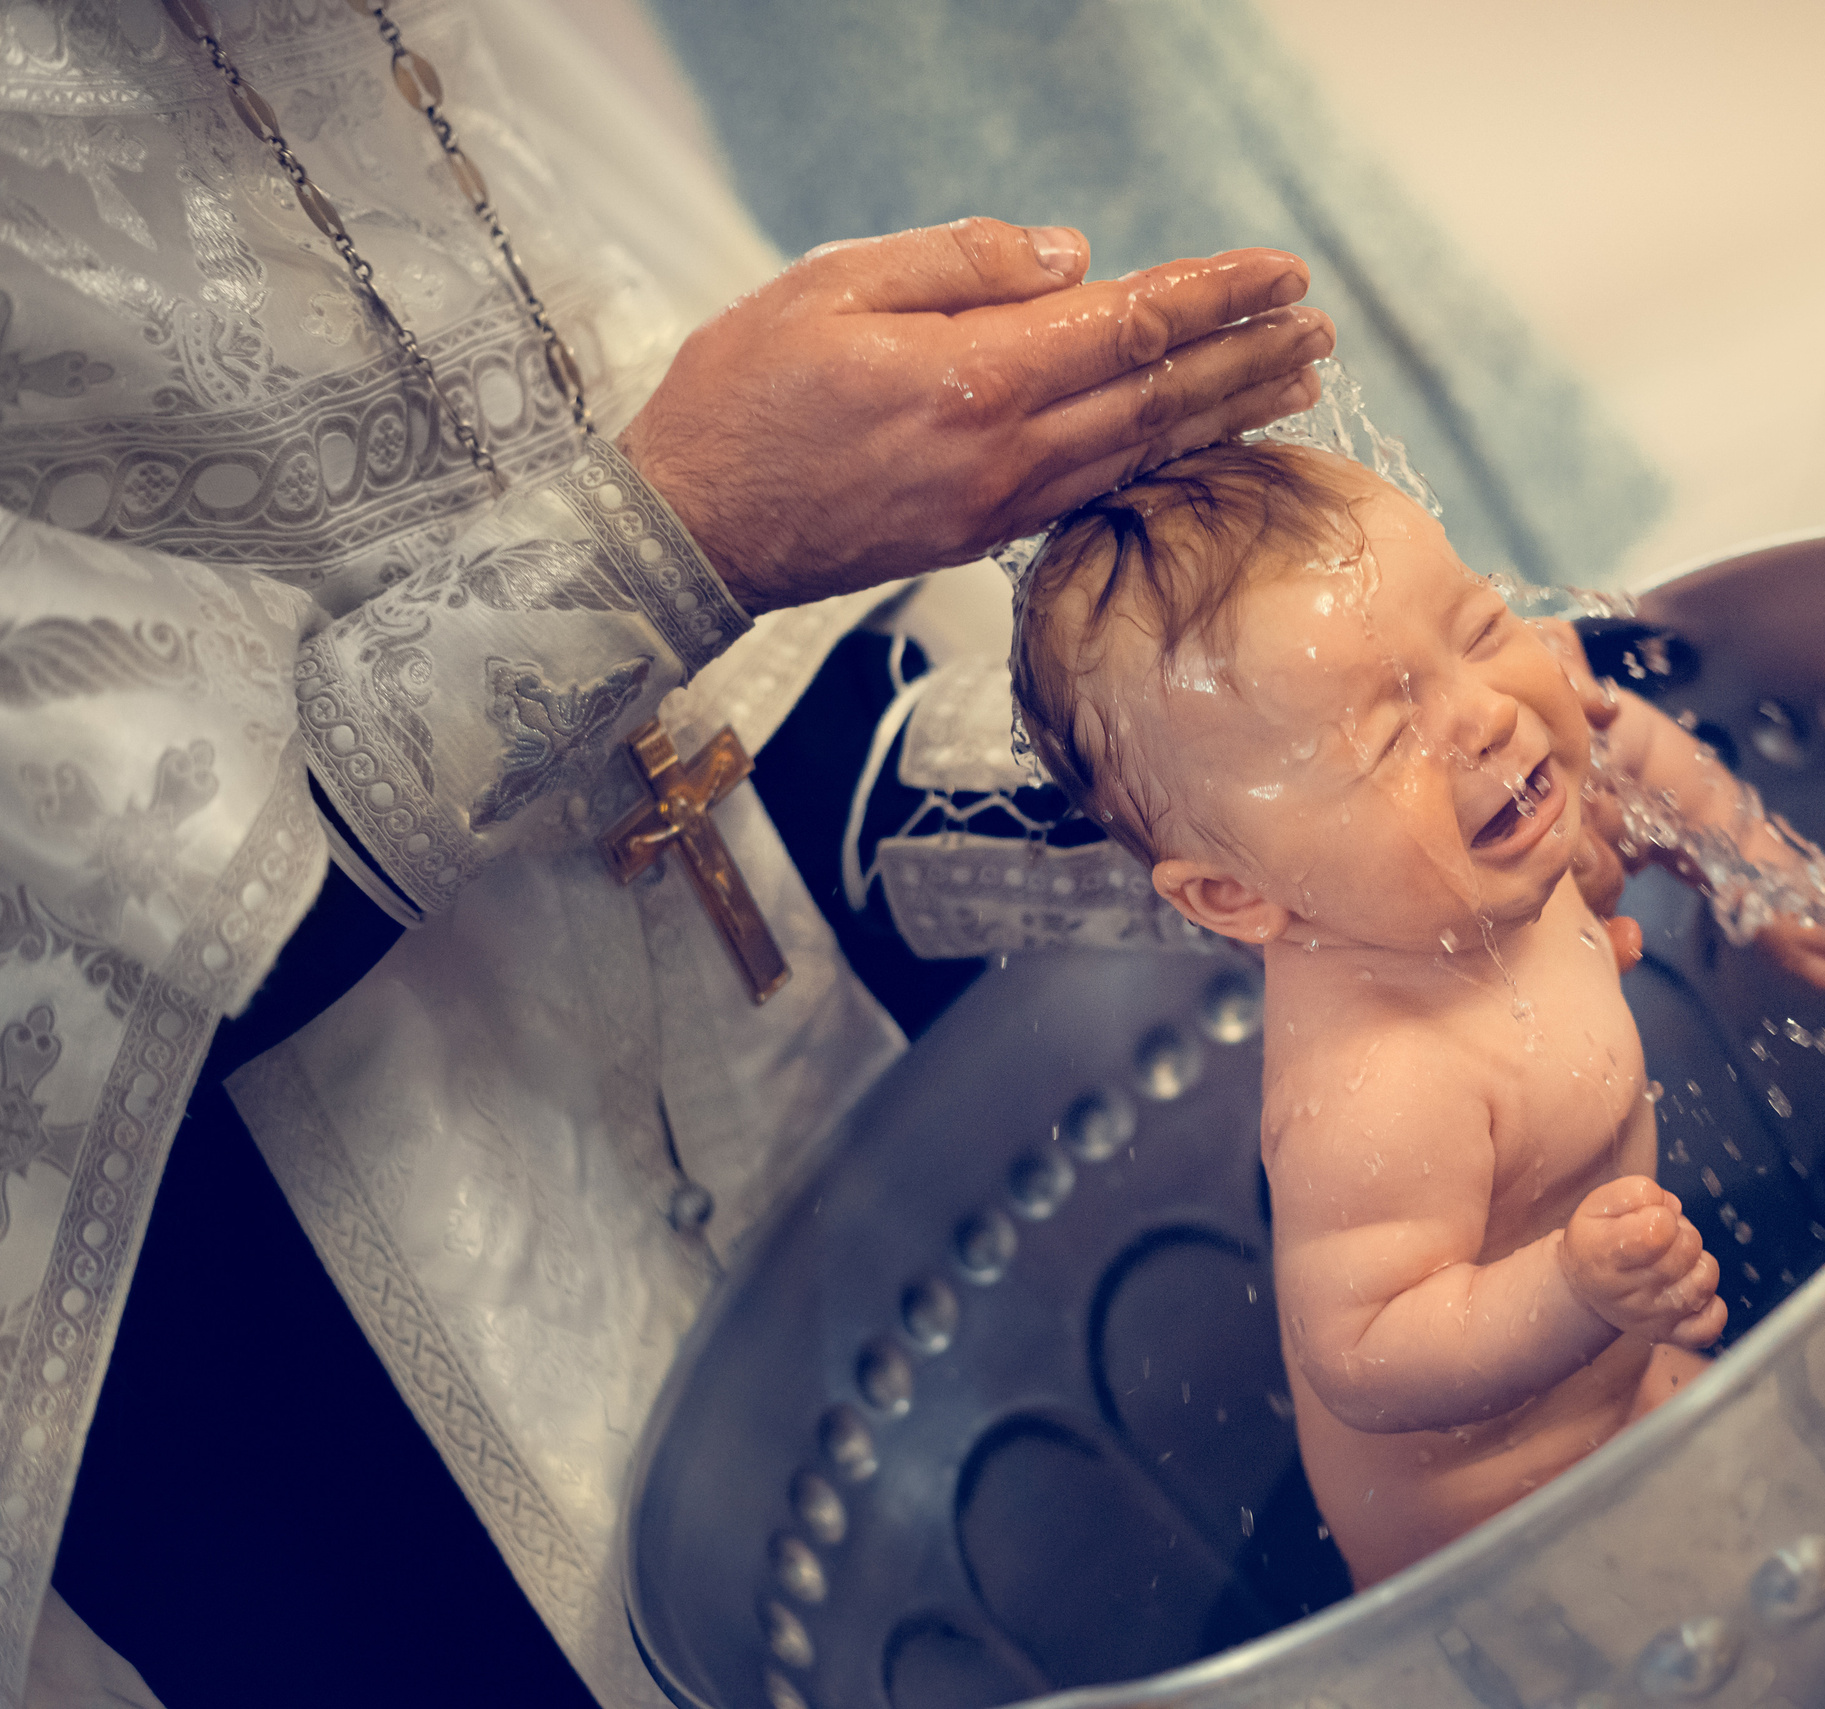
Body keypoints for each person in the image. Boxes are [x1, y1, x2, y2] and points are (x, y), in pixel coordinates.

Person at [0, 1, 1329, 1702]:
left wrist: (1329, 773)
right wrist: (667, 538)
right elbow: (87, 913)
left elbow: (753, 684)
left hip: (804, 1108)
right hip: (287, 1357)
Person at [1010, 440, 1825, 1586]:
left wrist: (1770, 883)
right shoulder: (1379, 1084)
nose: (1484, 715)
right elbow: (1363, 1349)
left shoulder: (1490, 805)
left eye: (1475, 629)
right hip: (1507, 1532)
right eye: (1380, 735)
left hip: (1623, 1357)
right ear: (1237, 893)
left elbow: (1629, 745)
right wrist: (1568, 1291)